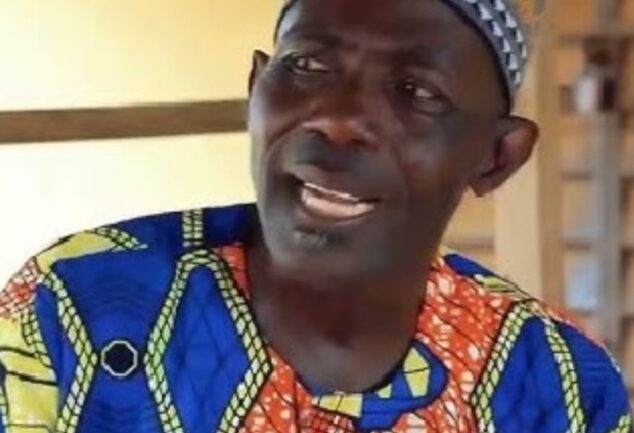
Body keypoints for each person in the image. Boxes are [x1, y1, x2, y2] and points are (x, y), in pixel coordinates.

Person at [0, 0, 631, 432]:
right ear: (256, 89)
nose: (339, 119)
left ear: (496, 157)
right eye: (306, 65)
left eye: (416, 91)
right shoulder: (71, 310)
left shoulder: (556, 385)